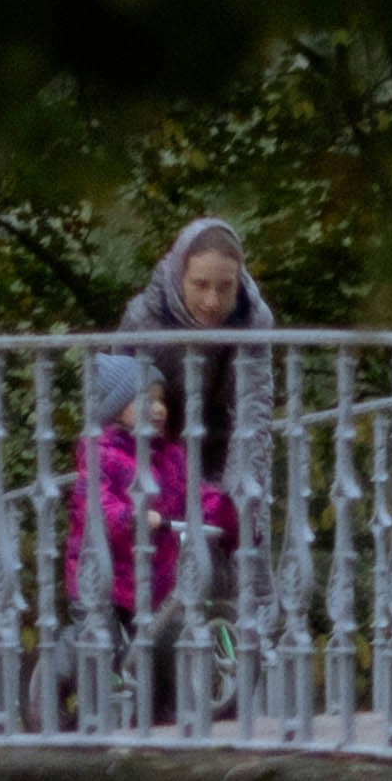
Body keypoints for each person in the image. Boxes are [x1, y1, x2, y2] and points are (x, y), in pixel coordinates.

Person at [65, 349, 236, 626]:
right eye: (146, 399)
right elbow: (95, 503)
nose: (158, 408)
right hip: (105, 581)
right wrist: (130, 517)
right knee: (104, 644)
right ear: (116, 409)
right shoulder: (101, 453)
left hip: (154, 581)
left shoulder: (171, 456)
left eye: (161, 400)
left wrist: (227, 511)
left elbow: (194, 497)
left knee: (164, 648)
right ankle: (69, 660)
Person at [115, 215, 281, 497]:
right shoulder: (143, 317)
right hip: (153, 457)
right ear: (181, 276)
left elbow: (253, 407)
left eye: (225, 286)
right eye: (200, 285)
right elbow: (114, 407)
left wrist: (235, 496)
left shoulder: (253, 317)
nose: (212, 301)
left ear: (238, 278)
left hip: (224, 450)